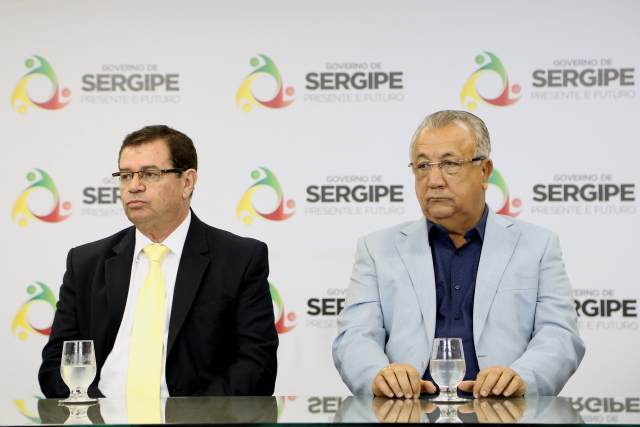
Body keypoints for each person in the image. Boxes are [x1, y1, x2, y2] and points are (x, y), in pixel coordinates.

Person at [332, 110, 585, 398]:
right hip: (407, 410)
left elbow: (560, 335)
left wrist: (520, 378)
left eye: (450, 164)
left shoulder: (538, 245)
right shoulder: (377, 248)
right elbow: (354, 336)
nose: (434, 180)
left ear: (484, 171)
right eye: (422, 166)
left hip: (502, 411)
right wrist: (380, 376)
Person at [39, 125, 278, 398]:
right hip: (100, 414)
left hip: (196, 416)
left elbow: (255, 366)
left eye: (150, 174)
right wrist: (101, 414)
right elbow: (58, 364)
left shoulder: (239, 259)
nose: (133, 186)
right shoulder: (85, 263)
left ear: (186, 182)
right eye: (125, 176)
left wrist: (186, 417)